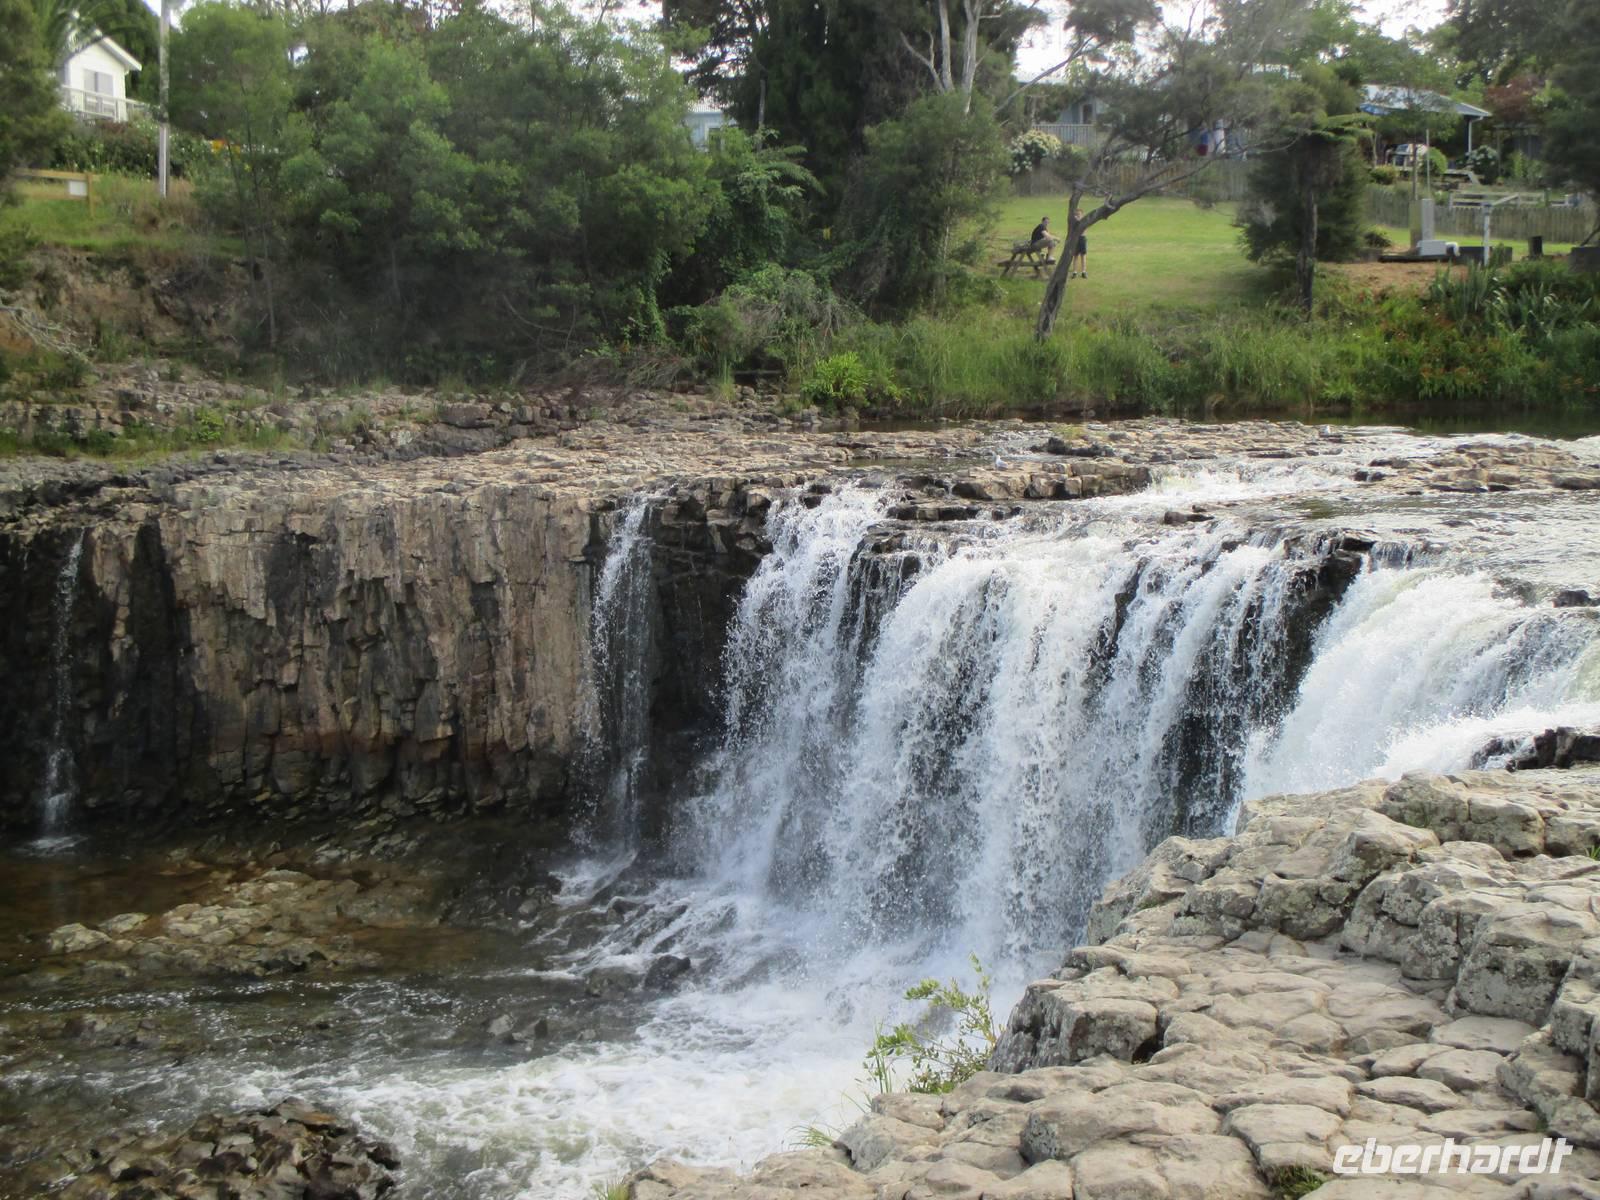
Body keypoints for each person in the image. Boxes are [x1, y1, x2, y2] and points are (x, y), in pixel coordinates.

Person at [1068, 209, 1088, 278]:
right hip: (1076, 239)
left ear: (1082, 214)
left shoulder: (1084, 220)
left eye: (1079, 214)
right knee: (1075, 256)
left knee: (1083, 256)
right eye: (1076, 214)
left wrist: (1078, 219)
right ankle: (1074, 272)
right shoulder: (1074, 221)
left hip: (1082, 238)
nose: (1077, 215)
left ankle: (1084, 272)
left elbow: (1083, 227)